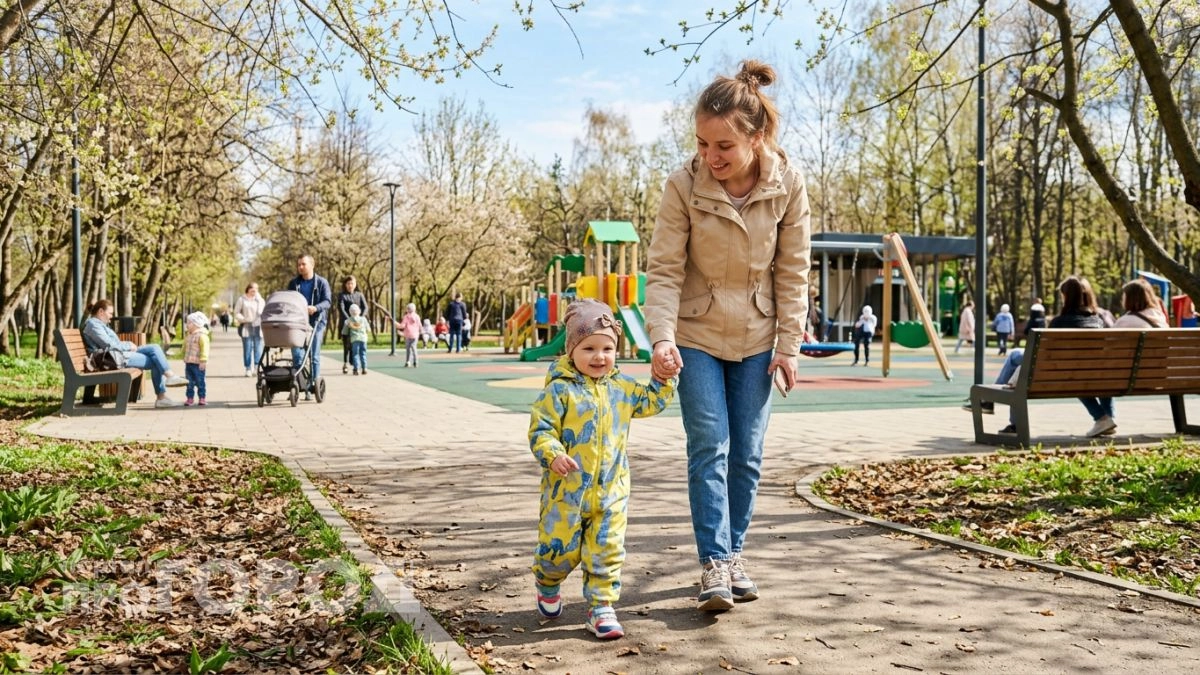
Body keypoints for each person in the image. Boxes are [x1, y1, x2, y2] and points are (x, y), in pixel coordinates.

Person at [643, 60, 811, 613]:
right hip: (695, 333)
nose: (710, 157)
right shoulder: (683, 186)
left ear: (755, 138)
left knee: (749, 455)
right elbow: (665, 269)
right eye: (701, 143)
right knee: (710, 445)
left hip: (760, 335)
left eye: (723, 146)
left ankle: (735, 552)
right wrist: (662, 338)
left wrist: (789, 345)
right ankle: (714, 562)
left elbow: (793, 271)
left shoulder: (788, 184)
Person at [528, 299, 675, 640]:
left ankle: (601, 607)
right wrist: (553, 454)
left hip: (611, 491)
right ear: (571, 350)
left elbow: (650, 401)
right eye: (589, 348)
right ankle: (547, 582)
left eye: (607, 348)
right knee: (558, 551)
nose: (599, 357)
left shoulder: (621, 388)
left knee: (606, 549)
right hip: (565, 494)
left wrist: (664, 378)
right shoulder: (559, 390)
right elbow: (541, 429)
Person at [81, 299, 186, 408]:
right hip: (112, 358)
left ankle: (169, 378)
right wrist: (128, 346)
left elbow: (114, 344)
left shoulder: (100, 324)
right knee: (155, 361)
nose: (111, 316)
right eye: (110, 313)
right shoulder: (93, 325)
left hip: (119, 354)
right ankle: (162, 396)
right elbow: (109, 345)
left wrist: (129, 344)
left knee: (154, 348)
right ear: (101, 312)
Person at [287, 254, 333, 399]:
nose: (300, 267)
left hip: (317, 321)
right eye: (299, 264)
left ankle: (313, 385)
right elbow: (289, 300)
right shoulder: (294, 283)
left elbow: (327, 301)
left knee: (314, 355)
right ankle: (299, 385)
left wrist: (316, 307)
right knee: (297, 355)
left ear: (312, 265)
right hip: (299, 323)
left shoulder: (321, 282)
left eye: (303, 264)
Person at [338, 276, 368, 374]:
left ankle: (358, 365)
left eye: (352, 283)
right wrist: (349, 320)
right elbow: (341, 308)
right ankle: (345, 364)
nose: (350, 285)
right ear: (345, 285)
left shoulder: (359, 295)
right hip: (347, 324)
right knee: (346, 346)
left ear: (355, 284)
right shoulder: (342, 295)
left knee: (357, 346)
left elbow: (365, 307)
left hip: (359, 326)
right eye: (348, 283)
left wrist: (360, 319)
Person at [233, 283, 265, 377]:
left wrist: (259, 299)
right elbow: (236, 312)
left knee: (258, 348)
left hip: (258, 326)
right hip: (247, 326)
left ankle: (256, 367)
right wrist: (243, 319)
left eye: (256, 289)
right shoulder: (242, 299)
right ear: (248, 289)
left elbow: (262, 311)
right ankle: (248, 368)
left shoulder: (260, 300)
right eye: (253, 289)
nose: (255, 291)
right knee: (247, 348)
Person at [183, 311, 210, 406]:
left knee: (200, 381)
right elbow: (184, 347)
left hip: (198, 364)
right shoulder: (188, 336)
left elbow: (205, 349)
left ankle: (202, 397)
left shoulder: (202, 336)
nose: (187, 325)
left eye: (189, 323)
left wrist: (203, 360)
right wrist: (184, 356)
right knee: (189, 382)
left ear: (196, 324)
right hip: (189, 363)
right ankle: (190, 398)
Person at [345, 304, 371, 375]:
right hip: (363, 339)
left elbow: (345, 331)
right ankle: (364, 368)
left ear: (350, 312)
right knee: (363, 353)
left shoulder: (348, 320)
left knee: (355, 354)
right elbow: (368, 329)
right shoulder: (363, 319)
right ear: (359, 311)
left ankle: (356, 369)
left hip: (354, 339)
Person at [396, 303, 422, 367]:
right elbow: (420, 325)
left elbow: (402, 326)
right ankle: (415, 361)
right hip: (414, 335)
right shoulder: (417, 316)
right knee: (413, 347)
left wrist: (395, 324)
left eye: (408, 308)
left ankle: (408, 361)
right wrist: (420, 332)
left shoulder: (406, 317)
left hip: (409, 335)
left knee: (408, 348)